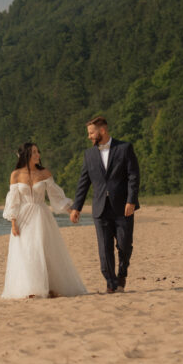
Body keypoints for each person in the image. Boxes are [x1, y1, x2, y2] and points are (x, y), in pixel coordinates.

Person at [1, 142, 88, 299]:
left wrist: (71, 211)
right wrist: (13, 222)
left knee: (44, 249)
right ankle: (31, 289)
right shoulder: (16, 175)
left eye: (38, 152)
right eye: (34, 152)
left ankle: (49, 287)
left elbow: (56, 196)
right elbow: (13, 201)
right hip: (23, 218)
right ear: (26, 155)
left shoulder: (44, 173)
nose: (38, 155)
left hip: (41, 215)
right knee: (27, 251)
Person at [70, 116, 140, 294]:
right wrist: (76, 207)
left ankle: (122, 274)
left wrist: (131, 200)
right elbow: (83, 183)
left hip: (123, 207)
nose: (89, 136)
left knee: (125, 245)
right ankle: (111, 282)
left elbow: (133, 176)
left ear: (102, 130)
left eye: (91, 132)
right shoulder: (89, 154)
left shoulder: (124, 148)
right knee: (104, 248)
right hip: (100, 209)